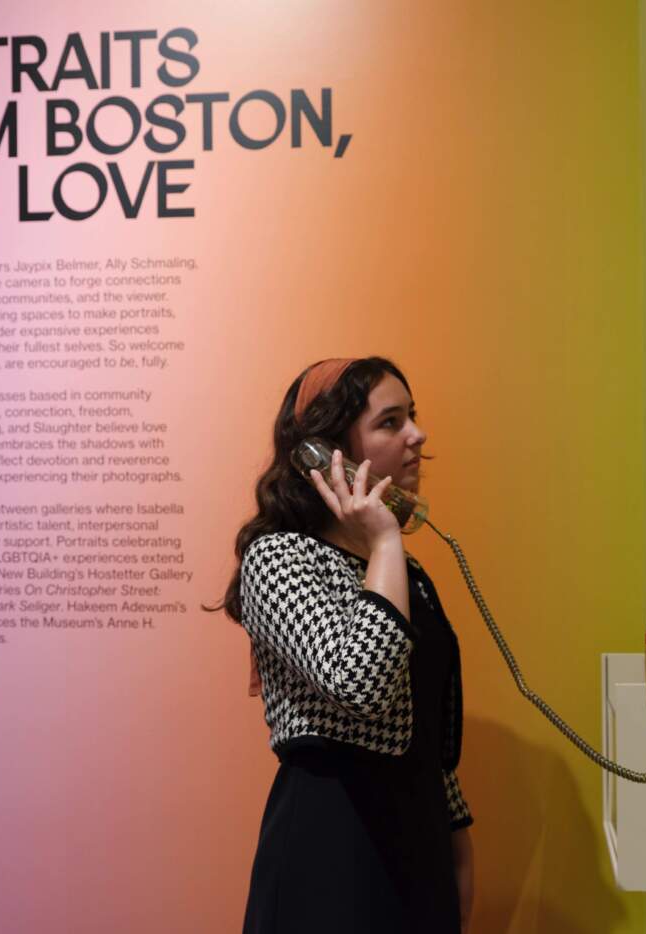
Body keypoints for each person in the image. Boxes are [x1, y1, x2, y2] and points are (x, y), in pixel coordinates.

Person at [204, 356, 475, 933]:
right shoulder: (279, 559)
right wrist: (383, 539)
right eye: (390, 421)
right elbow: (362, 684)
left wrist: (456, 842)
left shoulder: (406, 571)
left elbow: (425, 724)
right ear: (327, 453)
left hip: (417, 858)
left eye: (413, 417)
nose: (417, 436)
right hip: (332, 855)